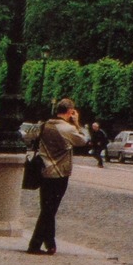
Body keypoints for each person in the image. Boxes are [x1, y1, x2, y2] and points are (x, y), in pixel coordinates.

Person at [26, 99, 86, 255]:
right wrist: (77, 123)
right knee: (49, 211)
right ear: (70, 111)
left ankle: (50, 244)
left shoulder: (45, 125)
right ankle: (35, 244)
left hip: (44, 170)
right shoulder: (68, 129)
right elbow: (83, 140)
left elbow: (29, 134)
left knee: (47, 208)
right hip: (59, 173)